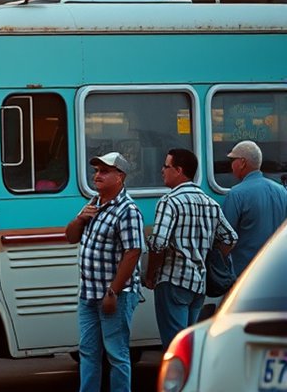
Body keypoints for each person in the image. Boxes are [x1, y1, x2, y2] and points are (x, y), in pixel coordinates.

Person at [64, 152, 143, 392]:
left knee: (116, 353)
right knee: (88, 352)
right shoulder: (93, 204)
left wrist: (113, 292)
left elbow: (133, 252)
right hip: (89, 293)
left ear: (120, 176)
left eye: (105, 171)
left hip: (114, 295)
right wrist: (80, 219)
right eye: (97, 171)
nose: (97, 175)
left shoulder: (128, 210)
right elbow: (70, 237)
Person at [144, 148, 237, 349]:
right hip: (199, 284)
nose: (162, 170)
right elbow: (230, 238)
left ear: (178, 170)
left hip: (173, 281)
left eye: (166, 166)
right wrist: (209, 258)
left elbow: (158, 244)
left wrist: (150, 275)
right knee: (190, 345)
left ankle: (180, 372)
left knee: (175, 347)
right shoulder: (210, 203)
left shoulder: (169, 201)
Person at [223, 140, 287, 273]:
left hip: (246, 272)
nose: (231, 166)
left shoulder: (236, 194)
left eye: (232, 161)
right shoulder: (281, 191)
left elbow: (225, 237)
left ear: (242, 163)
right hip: (276, 268)